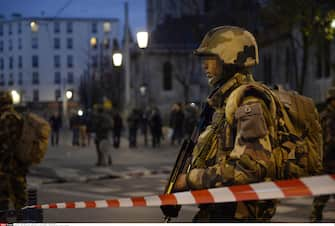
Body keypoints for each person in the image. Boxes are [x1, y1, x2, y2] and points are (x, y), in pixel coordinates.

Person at [162, 26, 278, 222]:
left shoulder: (248, 102)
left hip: (240, 215)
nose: (205, 66)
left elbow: (250, 170)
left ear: (229, 60)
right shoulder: (223, 103)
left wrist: (191, 179)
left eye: (210, 59)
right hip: (220, 210)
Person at [310, 87, 335, 222]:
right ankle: (314, 219)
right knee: (322, 196)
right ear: (331, 101)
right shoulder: (328, 117)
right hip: (327, 161)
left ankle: (315, 217)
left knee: (323, 194)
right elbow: (330, 141)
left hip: (328, 160)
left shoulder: (325, 115)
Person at [0, 91, 24, 222]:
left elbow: (5, 143)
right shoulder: (18, 117)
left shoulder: (5, 118)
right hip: (18, 165)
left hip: (6, 166)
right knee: (20, 200)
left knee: (3, 200)